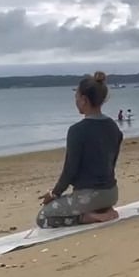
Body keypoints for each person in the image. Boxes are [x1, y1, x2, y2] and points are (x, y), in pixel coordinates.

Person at [36, 71, 124, 228]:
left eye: (76, 97)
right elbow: (111, 163)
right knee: (82, 200)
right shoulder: (113, 126)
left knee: (43, 217)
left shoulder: (77, 130)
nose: (75, 101)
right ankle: (104, 210)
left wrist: (54, 194)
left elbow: (70, 170)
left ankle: (89, 218)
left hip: (88, 196)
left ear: (84, 100)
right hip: (111, 194)